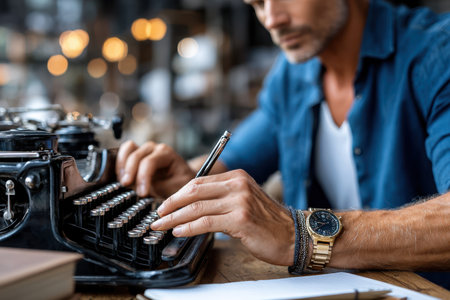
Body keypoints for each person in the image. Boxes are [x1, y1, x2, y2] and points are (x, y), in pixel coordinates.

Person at [116, 0, 450, 288]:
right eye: (257, 4)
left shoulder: (438, 54)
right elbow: (235, 160)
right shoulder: (291, 76)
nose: (273, 19)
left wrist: (297, 235)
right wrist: (185, 181)